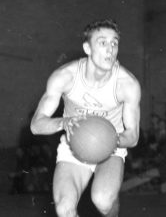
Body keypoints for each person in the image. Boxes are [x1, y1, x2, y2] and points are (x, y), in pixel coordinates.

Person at [30, 19, 141, 217]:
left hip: (111, 149)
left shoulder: (127, 84)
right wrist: (63, 122)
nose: (110, 49)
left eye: (114, 43)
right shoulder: (65, 76)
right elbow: (36, 125)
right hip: (74, 146)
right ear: (87, 48)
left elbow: (132, 136)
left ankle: (112, 208)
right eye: (103, 42)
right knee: (64, 208)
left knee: (103, 201)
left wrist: (110, 140)